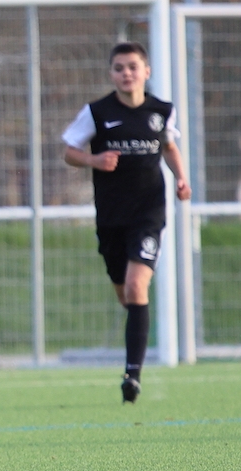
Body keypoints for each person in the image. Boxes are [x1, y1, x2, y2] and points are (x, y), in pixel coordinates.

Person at [62, 41, 191, 403]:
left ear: (146, 71)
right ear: (111, 74)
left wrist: (181, 178)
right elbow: (70, 151)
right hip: (111, 217)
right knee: (125, 293)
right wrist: (94, 160)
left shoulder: (162, 111)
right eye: (119, 68)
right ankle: (138, 327)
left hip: (148, 214)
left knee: (136, 286)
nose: (126, 73)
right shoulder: (97, 112)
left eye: (133, 67)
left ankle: (132, 375)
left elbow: (169, 146)